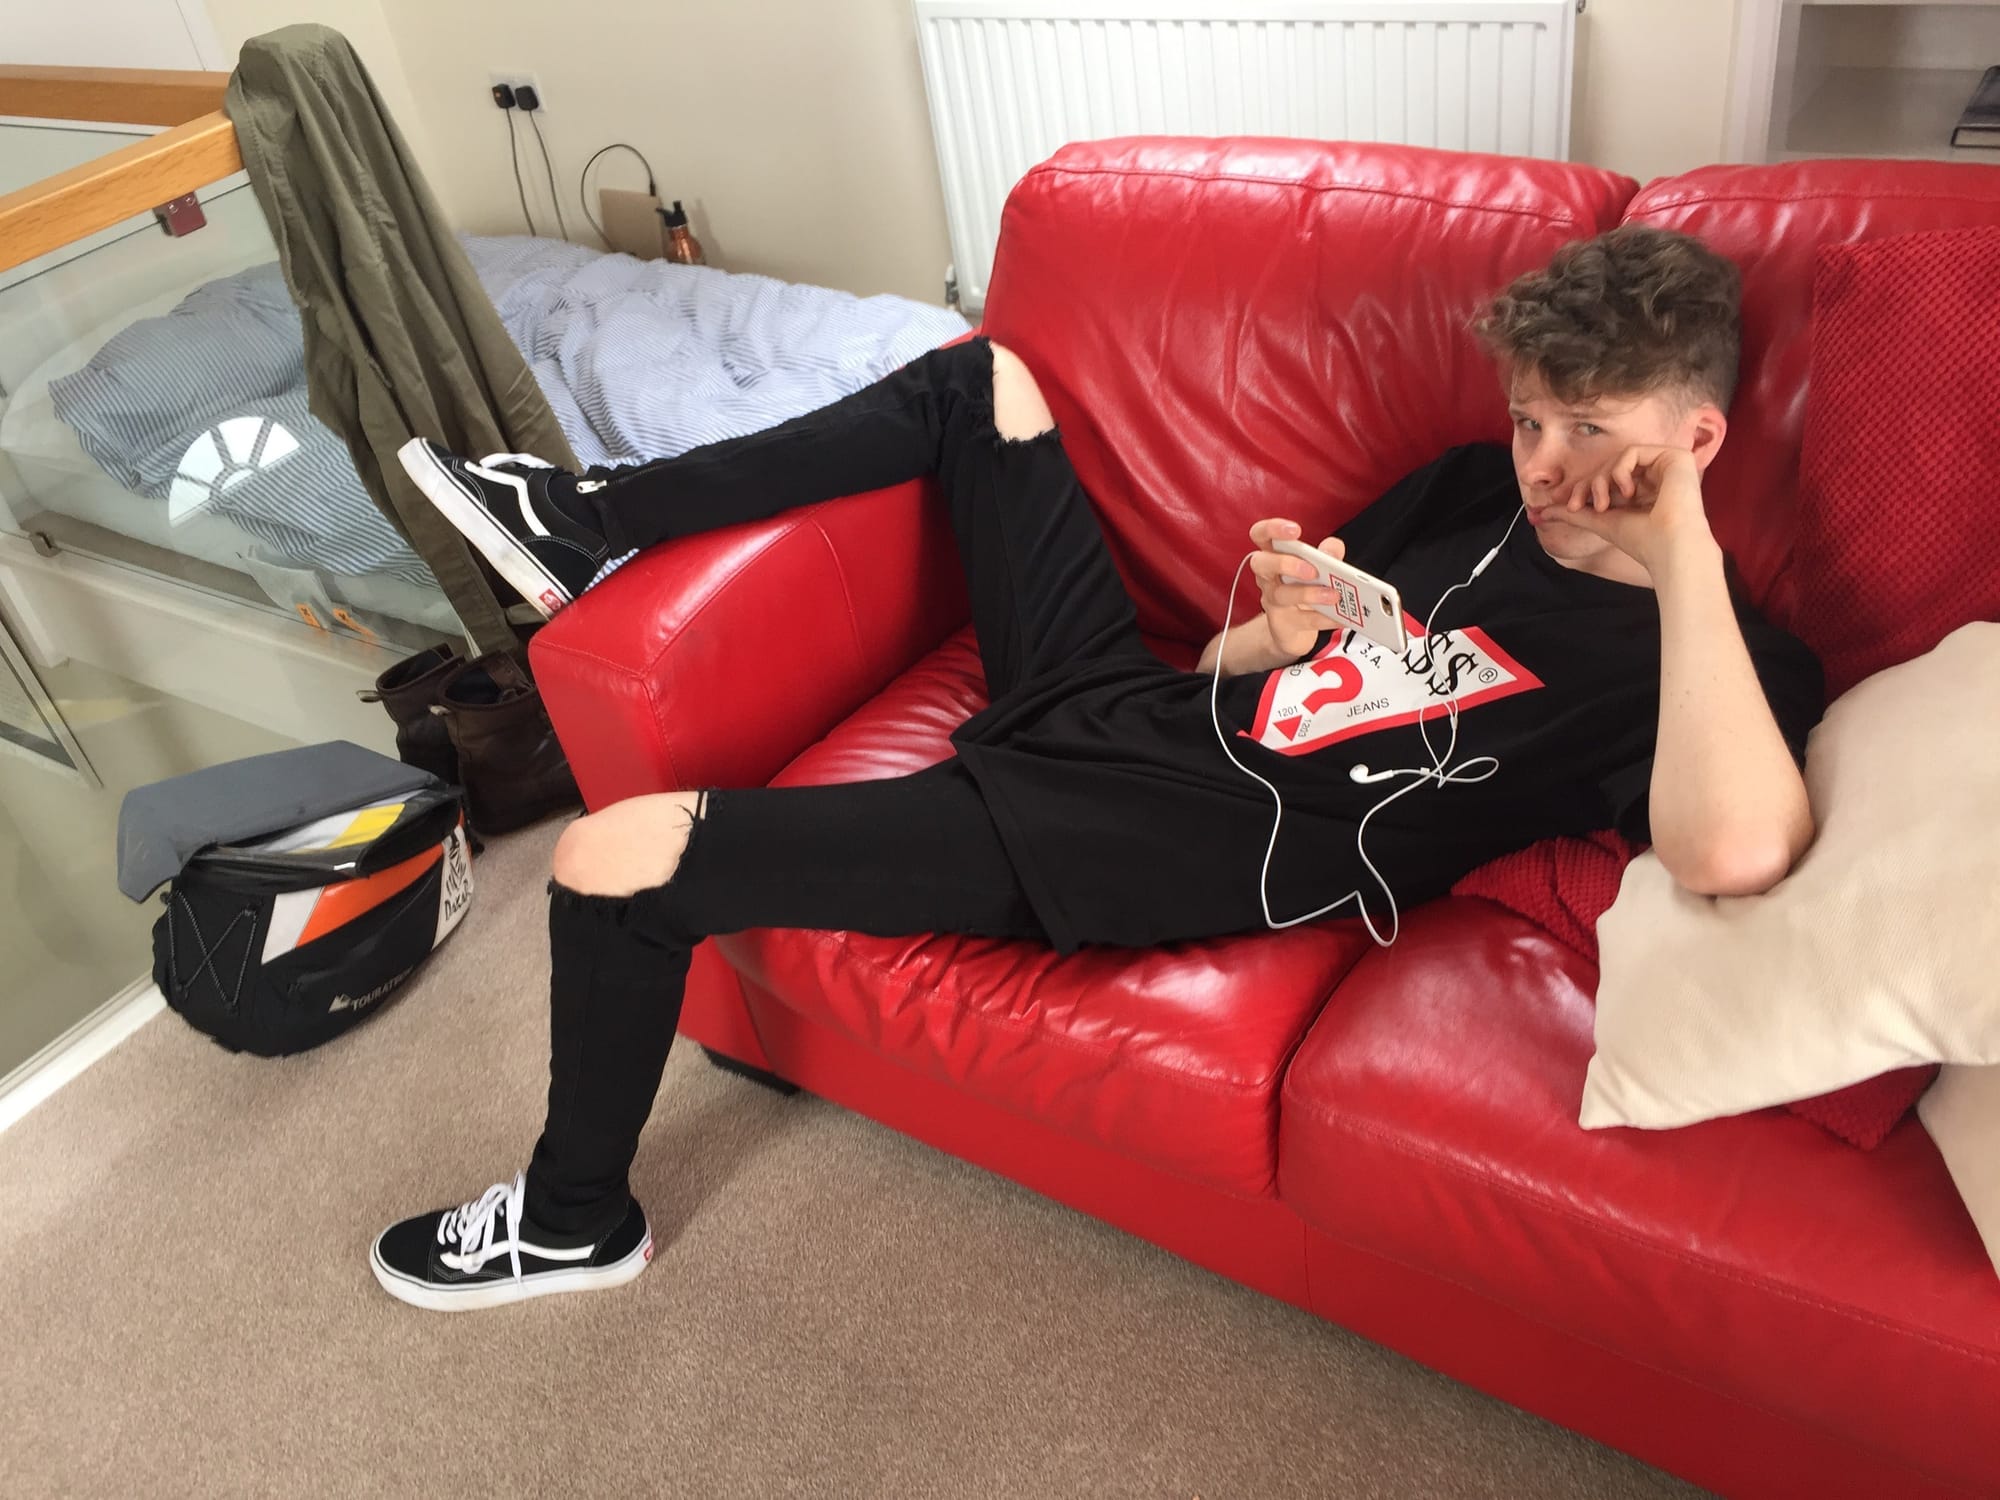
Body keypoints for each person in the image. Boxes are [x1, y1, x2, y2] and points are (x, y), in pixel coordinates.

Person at [370, 224, 1824, 1311]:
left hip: (1150, 843)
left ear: (1695, 440)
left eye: (1596, 433)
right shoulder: (1463, 492)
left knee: (613, 854)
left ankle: (572, 1218)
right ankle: (588, 518)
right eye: (1530, 420)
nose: (1547, 466)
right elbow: (1221, 675)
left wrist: (1678, 547)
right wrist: (1272, 635)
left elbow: (1734, 850)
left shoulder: (1711, 660)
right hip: (1135, 714)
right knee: (978, 380)